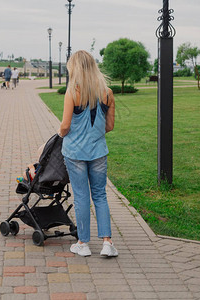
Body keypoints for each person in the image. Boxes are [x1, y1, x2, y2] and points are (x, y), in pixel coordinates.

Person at [58, 50, 117, 257]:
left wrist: (61, 132)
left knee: (82, 195)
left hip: (75, 153)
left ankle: (82, 243)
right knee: (100, 194)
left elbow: (65, 125)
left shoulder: (72, 92)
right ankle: (107, 243)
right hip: (98, 151)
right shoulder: (107, 93)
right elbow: (109, 126)